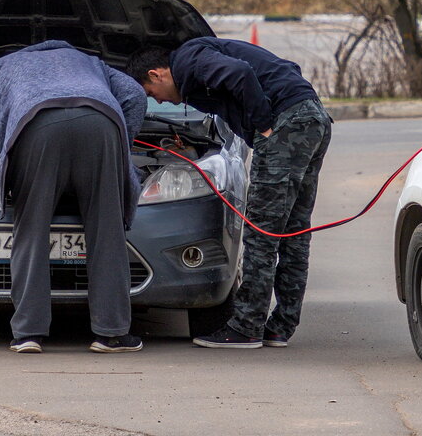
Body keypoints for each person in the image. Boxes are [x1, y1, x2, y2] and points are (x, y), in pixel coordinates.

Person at [0, 40, 147, 354]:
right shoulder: (89, 60)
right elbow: (135, 96)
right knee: (107, 231)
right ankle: (112, 334)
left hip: (36, 125)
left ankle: (28, 333)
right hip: (100, 121)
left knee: (31, 230)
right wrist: (121, 144)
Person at [126, 38, 332, 349]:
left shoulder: (189, 60)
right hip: (311, 118)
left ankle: (247, 327)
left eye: (152, 95)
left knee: (261, 231)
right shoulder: (197, 64)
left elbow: (240, 74)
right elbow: (285, 70)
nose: (162, 103)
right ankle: (280, 326)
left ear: (156, 75)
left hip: (287, 124)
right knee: (294, 230)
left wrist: (263, 125)